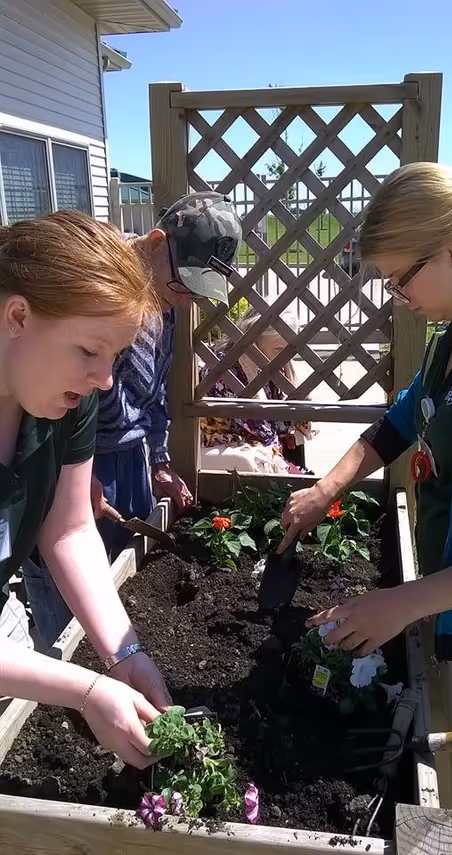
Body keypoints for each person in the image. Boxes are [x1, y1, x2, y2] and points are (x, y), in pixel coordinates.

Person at [279, 162, 452, 839]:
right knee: (448, 774)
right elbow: (399, 423)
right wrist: (325, 490)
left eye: (402, 277)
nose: (396, 296)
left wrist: (403, 601)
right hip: (449, 603)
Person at [22, 192, 243, 644]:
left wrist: (159, 461)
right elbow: (38, 391)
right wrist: (70, 470)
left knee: (130, 587)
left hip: (127, 459)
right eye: (185, 287)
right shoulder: (93, 283)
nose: (185, 302)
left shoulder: (165, 302)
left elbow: (156, 391)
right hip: (67, 463)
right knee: (69, 612)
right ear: (156, 243)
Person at [0, 210, 171, 769]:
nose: (104, 378)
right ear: (18, 316)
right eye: (88, 351)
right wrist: (88, 690)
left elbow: (70, 529)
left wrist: (125, 655)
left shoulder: (61, 399)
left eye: (114, 357)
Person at [200, 306, 313, 474]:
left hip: (261, 449)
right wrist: (252, 377)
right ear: (254, 338)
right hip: (225, 447)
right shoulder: (225, 371)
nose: (285, 357)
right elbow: (264, 434)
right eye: (279, 350)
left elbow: (302, 426)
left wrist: (291, 376)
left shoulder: (269, 365)